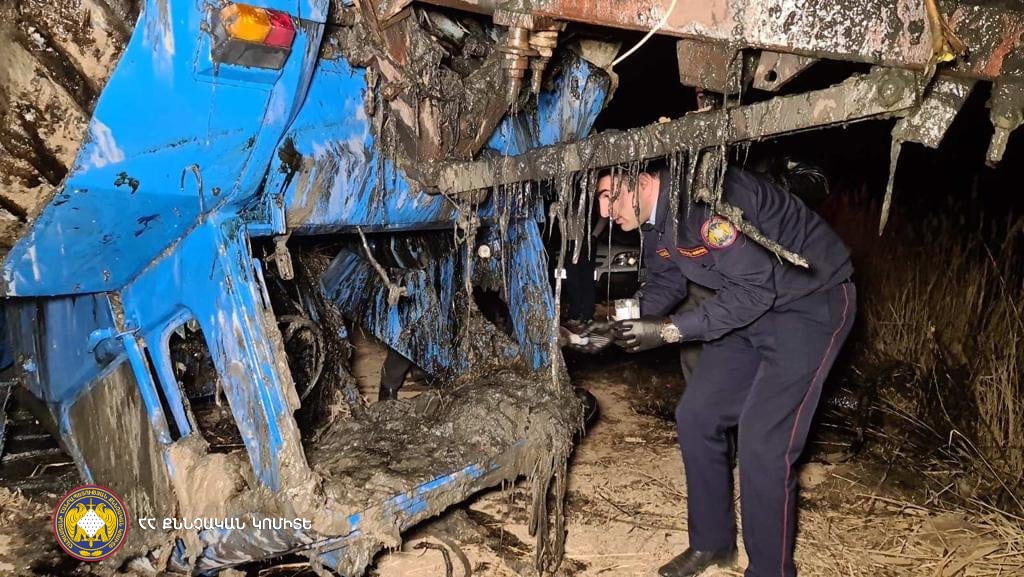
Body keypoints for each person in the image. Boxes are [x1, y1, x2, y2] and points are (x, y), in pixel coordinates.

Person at [571, 161, 856, 577]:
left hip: (809, 303)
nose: (603, 211)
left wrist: (668, 331)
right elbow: (667, 281)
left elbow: (757, 288)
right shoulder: (656, 221)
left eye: (607, 195)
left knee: (763, 442)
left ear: (643, 181)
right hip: (746, 307)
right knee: (697, 414)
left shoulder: (703, 203)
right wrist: (615, 327)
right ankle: (712, 543)